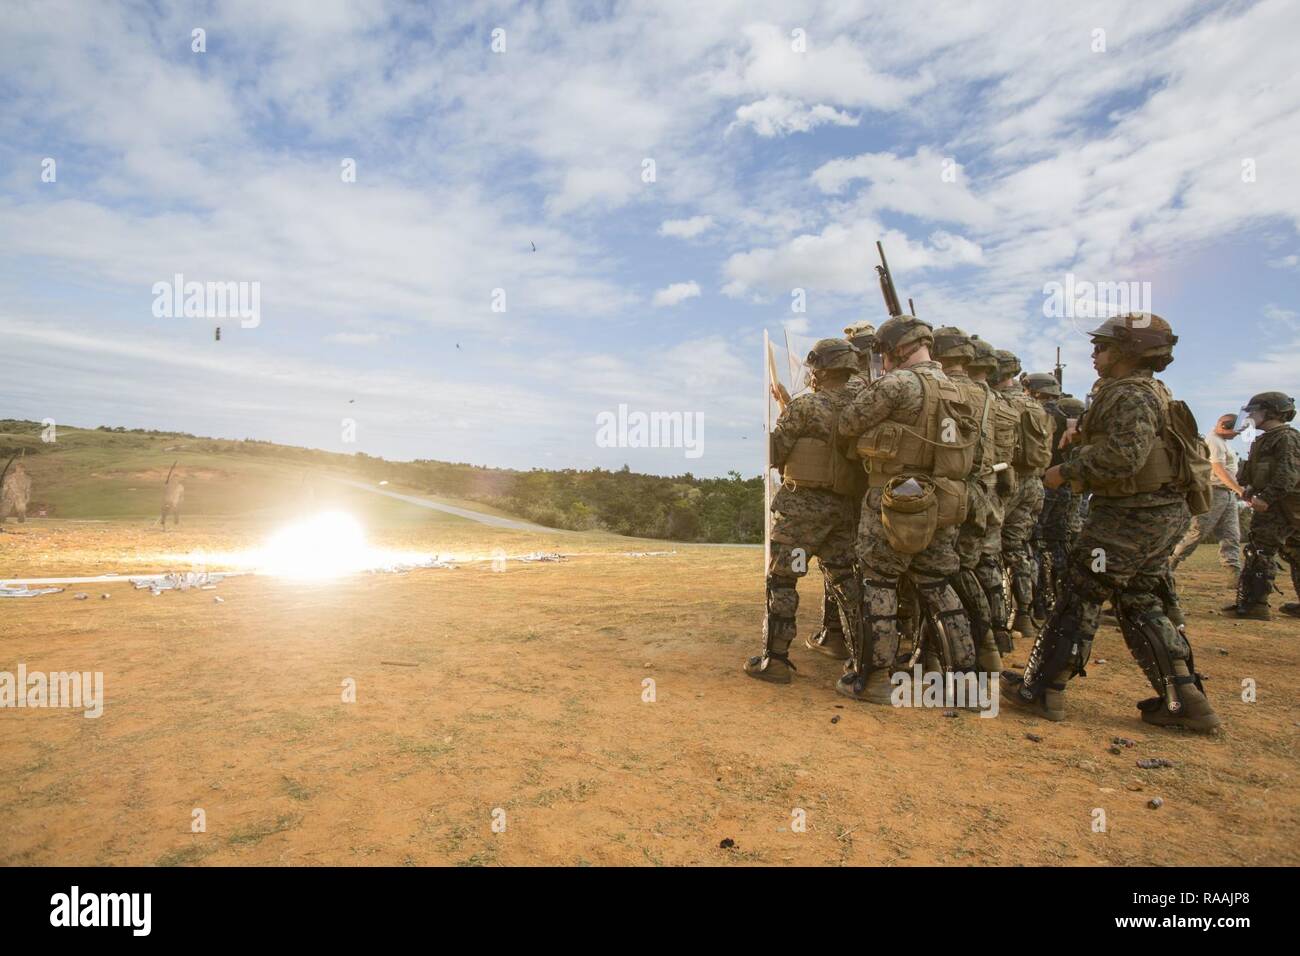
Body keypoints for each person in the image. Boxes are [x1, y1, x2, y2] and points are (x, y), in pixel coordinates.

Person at [1002, 313, 1220, 732]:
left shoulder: (1129, 394)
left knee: (1080, 591)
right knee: (1139, 599)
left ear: (1126, 351)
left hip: (1131, 516)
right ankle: (1185, 699)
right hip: (1159, 515)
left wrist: (1065, 471)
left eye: (1102, 347)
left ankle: (1043, 688)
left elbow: (1123, 458)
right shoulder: (1149, 391)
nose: (1094, 353)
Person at [837, 315, 976, 702]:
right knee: (939, 586)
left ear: (897, 349)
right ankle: (966, 684)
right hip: (941, 499)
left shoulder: (896, 384)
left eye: (883, 351)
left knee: (878, 582)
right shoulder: (957, 390)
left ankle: (877, 679)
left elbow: (848, 423)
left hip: (895, 497)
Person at [746, 339, 866, 683]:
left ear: (822, 370)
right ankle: (862, 663)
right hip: (843, 509)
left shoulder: (806, 407)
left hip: (801, 512)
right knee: (846, 582)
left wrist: (785, 412)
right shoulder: (861, 408)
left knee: (783, 579)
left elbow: (777, 453)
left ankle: (777, 660)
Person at [932, 326, 1003, 673]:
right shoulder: (990, 396)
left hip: (949, 493)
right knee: (965, 570)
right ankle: (987, 644)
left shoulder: (944, 389)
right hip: (982, 493)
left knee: (936, 574)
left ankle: (945, 656)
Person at [807, 321, 876, 660]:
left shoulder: (858, 388)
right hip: (884, 489)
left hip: (853, 491)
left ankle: (837, 636)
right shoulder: (883, 383)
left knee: (841, 566)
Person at [994, 352, 1052, 640]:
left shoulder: (1001, 401)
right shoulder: (1039, 408)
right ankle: (1025, 615)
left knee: (989, 549)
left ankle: (995, 621)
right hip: (1034, 483)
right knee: (1018, 548)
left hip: (1007, 480)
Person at [1227, 392, 1300, 620]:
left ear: (1270, 412)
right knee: (1295, 553)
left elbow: (1288, 473)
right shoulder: (1265, 438)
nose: (1249, 416)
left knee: (1260, 552)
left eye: (1254, 411)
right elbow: (1260, 472)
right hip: (1283, 505)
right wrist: (1249, 489)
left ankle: (1255, 604)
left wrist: (1266, 498)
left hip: (1281, 507)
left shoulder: (1285, 437)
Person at [1170, 414, 1245, 587]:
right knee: (1197, 532)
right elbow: (1218, 469)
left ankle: (1234, 577)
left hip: (1227, 494)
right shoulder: (1213, 441)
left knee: (1231, 535)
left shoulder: (1224, 442)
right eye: (1236, 430)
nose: (1238, 434)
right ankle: (1168, 565)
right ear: (1225, 426)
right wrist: (1240, 490)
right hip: (1215, 492)